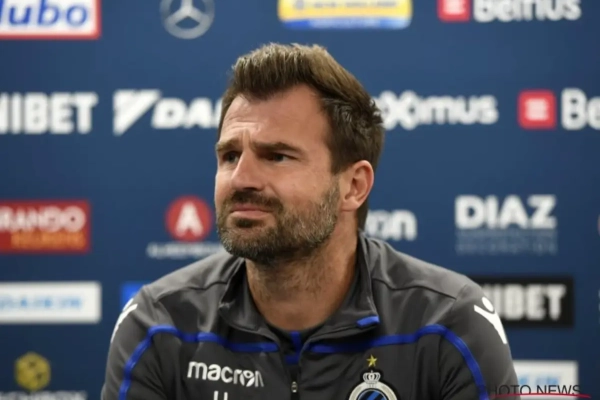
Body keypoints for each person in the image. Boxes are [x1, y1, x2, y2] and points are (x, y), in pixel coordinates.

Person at [101, 43, 519, 400]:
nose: (241, 179)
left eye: (276, 156)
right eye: (230, 156)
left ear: (353, 186)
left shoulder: (448, 323)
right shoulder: (160, 324)